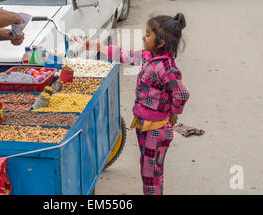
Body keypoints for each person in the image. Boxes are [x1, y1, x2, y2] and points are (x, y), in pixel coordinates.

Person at [76, 14, 190, 195]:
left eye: (148, 34)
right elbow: (124, 55)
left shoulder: (166, 68)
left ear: (160, 43)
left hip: (157, 129)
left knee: (151, 174)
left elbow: (181, 94)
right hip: (143, 125)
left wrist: (174, 113)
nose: (143, 37)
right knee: (147, 168)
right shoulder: (147, 57)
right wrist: (98, 46)